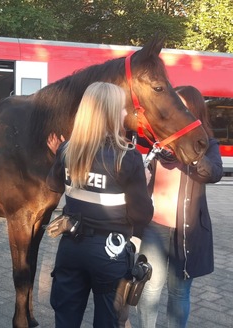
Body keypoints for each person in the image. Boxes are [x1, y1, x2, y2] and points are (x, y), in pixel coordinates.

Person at [46, 82, 154, 327]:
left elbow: (53, 185)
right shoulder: (128, 157)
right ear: (110, 113)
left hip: (70, 248)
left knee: (65, 320)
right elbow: (142, 215)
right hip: (110, 253)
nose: (126, 114)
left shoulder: (66, 150)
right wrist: (144, 184)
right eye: (122, 109)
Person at [134, 85, 224, 328]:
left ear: (193, 111)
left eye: (181, 107)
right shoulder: (158, 143)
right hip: (153, 228)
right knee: (148, 289)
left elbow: (214, 173)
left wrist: (193, 155)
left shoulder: (206, 145)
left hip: (187, 233)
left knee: (178, 294)